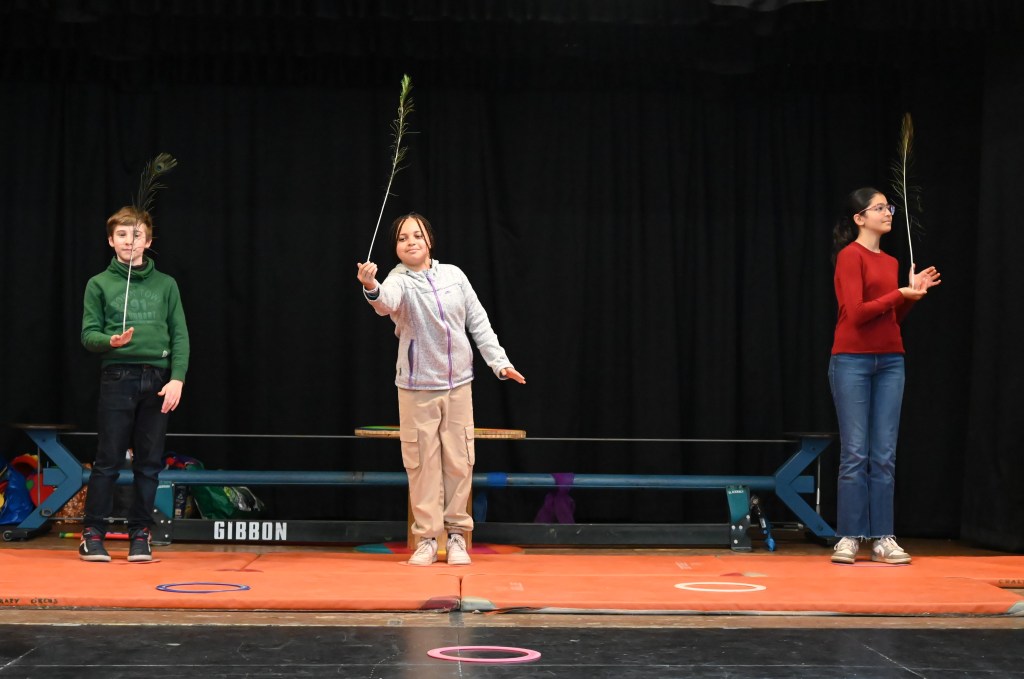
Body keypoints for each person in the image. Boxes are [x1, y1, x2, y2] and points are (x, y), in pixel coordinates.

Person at [356, 213, 525, 566]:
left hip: (458, 385)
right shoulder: (397, 281)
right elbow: (385, 303)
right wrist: (371, 286)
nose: (411, 242)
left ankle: (458, 536)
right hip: (416, 388)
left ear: (429, 240)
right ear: (396, 248)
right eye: (403, 238)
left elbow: (478, 320)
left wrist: (499, 362)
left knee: (460, 462)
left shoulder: (454, 275)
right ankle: (427, 539)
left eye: (417, 235)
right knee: (422, 466)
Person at [828, 187, 940, 565]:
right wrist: (899, 294)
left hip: (891, 361)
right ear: (859, 218)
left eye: (887, 207)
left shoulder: (891, 261)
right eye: (879, 208)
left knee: (884, 455)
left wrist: (911, 296)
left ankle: (882, 538)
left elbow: (890, 317)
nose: (887, 212)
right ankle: (849, 536)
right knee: (855, 453)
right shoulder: (850, 256)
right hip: (852, 361)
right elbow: (857, 313)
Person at [79, 206, 190, 562]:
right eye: (123, 235)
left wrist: (177, 378)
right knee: (108, 459)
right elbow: (88, 334)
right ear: (111, 241)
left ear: (149, 241)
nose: (130, 241)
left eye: (137, 234)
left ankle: (140, 533)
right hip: (118, 377)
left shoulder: (166, 284)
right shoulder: (99, 284)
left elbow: (180, 335)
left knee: (149, 462)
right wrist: (109, 341)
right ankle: (92, 533)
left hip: (157, 380)